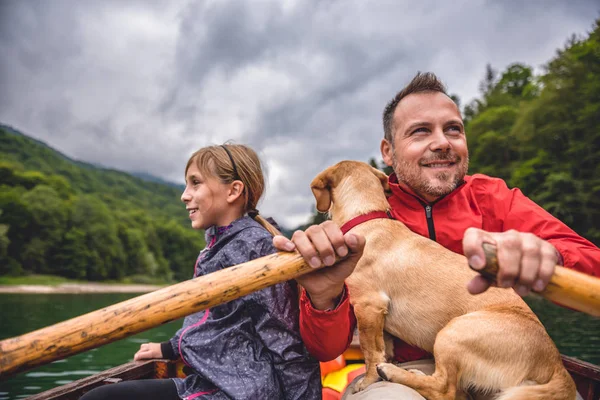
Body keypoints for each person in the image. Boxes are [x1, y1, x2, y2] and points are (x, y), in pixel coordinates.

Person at [273, 72, 600, 399]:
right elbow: (325, 349)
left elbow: (592, 268)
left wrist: (552, 259)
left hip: (504, 360)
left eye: (453, 129)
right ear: (388, 152)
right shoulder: (358, 230)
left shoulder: (494, 198)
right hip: (410, 369)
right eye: (420, 131)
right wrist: (323, 297)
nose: (442, 142)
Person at [81, 144, 321, 400]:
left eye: (195, 183)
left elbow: (284, 340)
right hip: (208, 382)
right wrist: (168, 348)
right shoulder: (218, 246)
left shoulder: (255, 247)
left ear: (233, 190)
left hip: (241, 393)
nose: (184, 195)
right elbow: (215, 321)